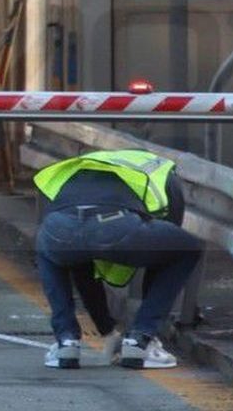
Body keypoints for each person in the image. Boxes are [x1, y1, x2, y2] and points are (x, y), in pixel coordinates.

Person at [33, 149, 202, 370]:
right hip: (113, 224)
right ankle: (141, 340)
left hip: (60, 226)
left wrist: (108, 331)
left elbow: (81, 256)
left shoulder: (84, 166)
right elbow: (167, 241)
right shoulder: (162, 170)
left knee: (56, 253)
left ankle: (66, 342)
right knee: (184, 249)